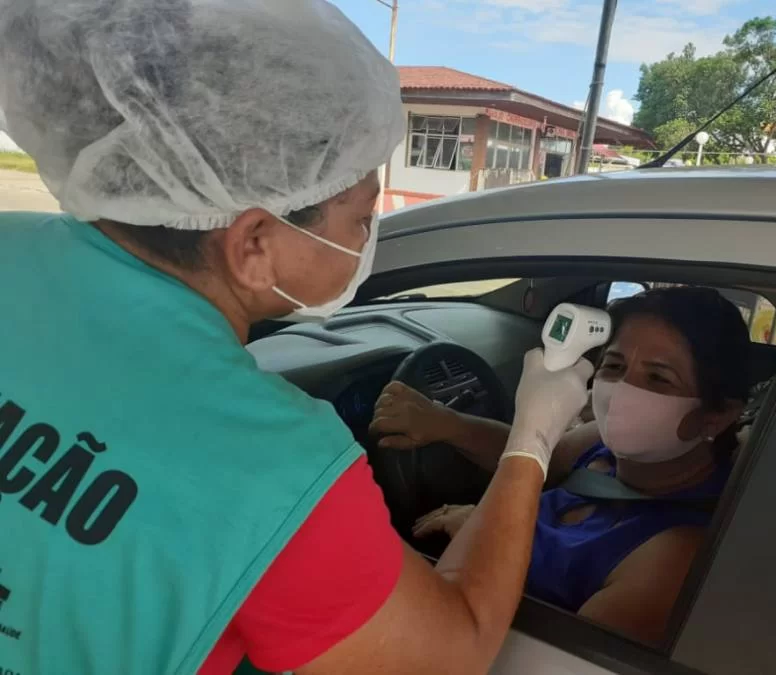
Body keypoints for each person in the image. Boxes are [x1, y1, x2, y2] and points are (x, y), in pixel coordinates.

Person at [0, 2, 594, 674]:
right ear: (254, 242)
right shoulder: (269, 460)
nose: (368, 241)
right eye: (362, 217)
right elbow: (456, 647)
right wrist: (532, 437)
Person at [371, 287, 752, 646]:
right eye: (615, 365)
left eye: (658, 378)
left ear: (716, 417)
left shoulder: (673, 559)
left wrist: (480, 536)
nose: (621, 390)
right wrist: (445, 424)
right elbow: (539, 458)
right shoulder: (602, 444)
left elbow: (556, 661)